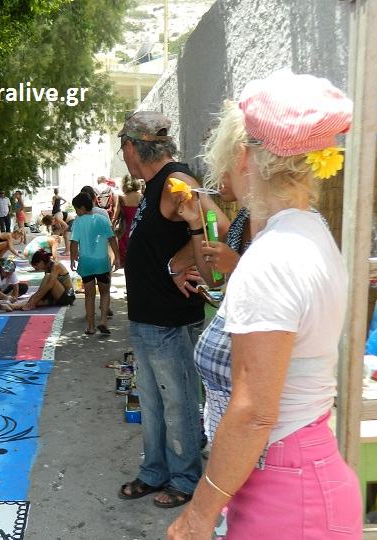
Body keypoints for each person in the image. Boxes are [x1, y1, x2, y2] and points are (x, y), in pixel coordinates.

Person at [167, 69, 362, 539]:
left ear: (243, 155)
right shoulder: (308, 231)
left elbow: (254, 410)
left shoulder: (272, 256)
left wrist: (198, 514)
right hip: (294, 477)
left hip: (284, 492)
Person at [117, 110, 228, 508]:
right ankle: (155, 471)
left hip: (168, 319)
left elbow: (222, 226)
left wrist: (180, 262)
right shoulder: (154, 186)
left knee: (178, 400)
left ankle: (185, 479)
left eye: (123, 148)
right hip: (149, 318)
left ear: (132, 147)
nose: (124, 155)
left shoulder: (177, 181)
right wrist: (174, 258)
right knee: (152, 400)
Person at [69, 192, 120, 335]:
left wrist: (73, 259)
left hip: (86, 263)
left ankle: (90, 326)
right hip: (102, 263)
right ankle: (103, 321)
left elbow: (74, 243)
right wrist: (117, 257)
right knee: (104, 293)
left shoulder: (78, 222)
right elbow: (111, 239)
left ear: (81, 208)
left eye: (76, 209)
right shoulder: (103, 219)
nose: (76, 212)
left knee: (89, 296)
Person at [0, 248, 75, 311]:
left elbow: (48, 287)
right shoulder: (48, 268)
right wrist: (34, 298)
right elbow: (43, 290)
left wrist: (34, 299)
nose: (37, 268)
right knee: (36, 299)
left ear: (41, 261)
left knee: (39, 292)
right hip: (57, 295)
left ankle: (31, 304)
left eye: (37, 265)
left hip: (67, 297)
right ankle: (12, 306)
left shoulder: (56, 266)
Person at [116, 175, 144, 266]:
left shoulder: (121, 198)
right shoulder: (142, 197)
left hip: (125, 229)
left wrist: (112, 225)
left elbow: (116, 215)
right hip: (138, 228)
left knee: (125, 253)